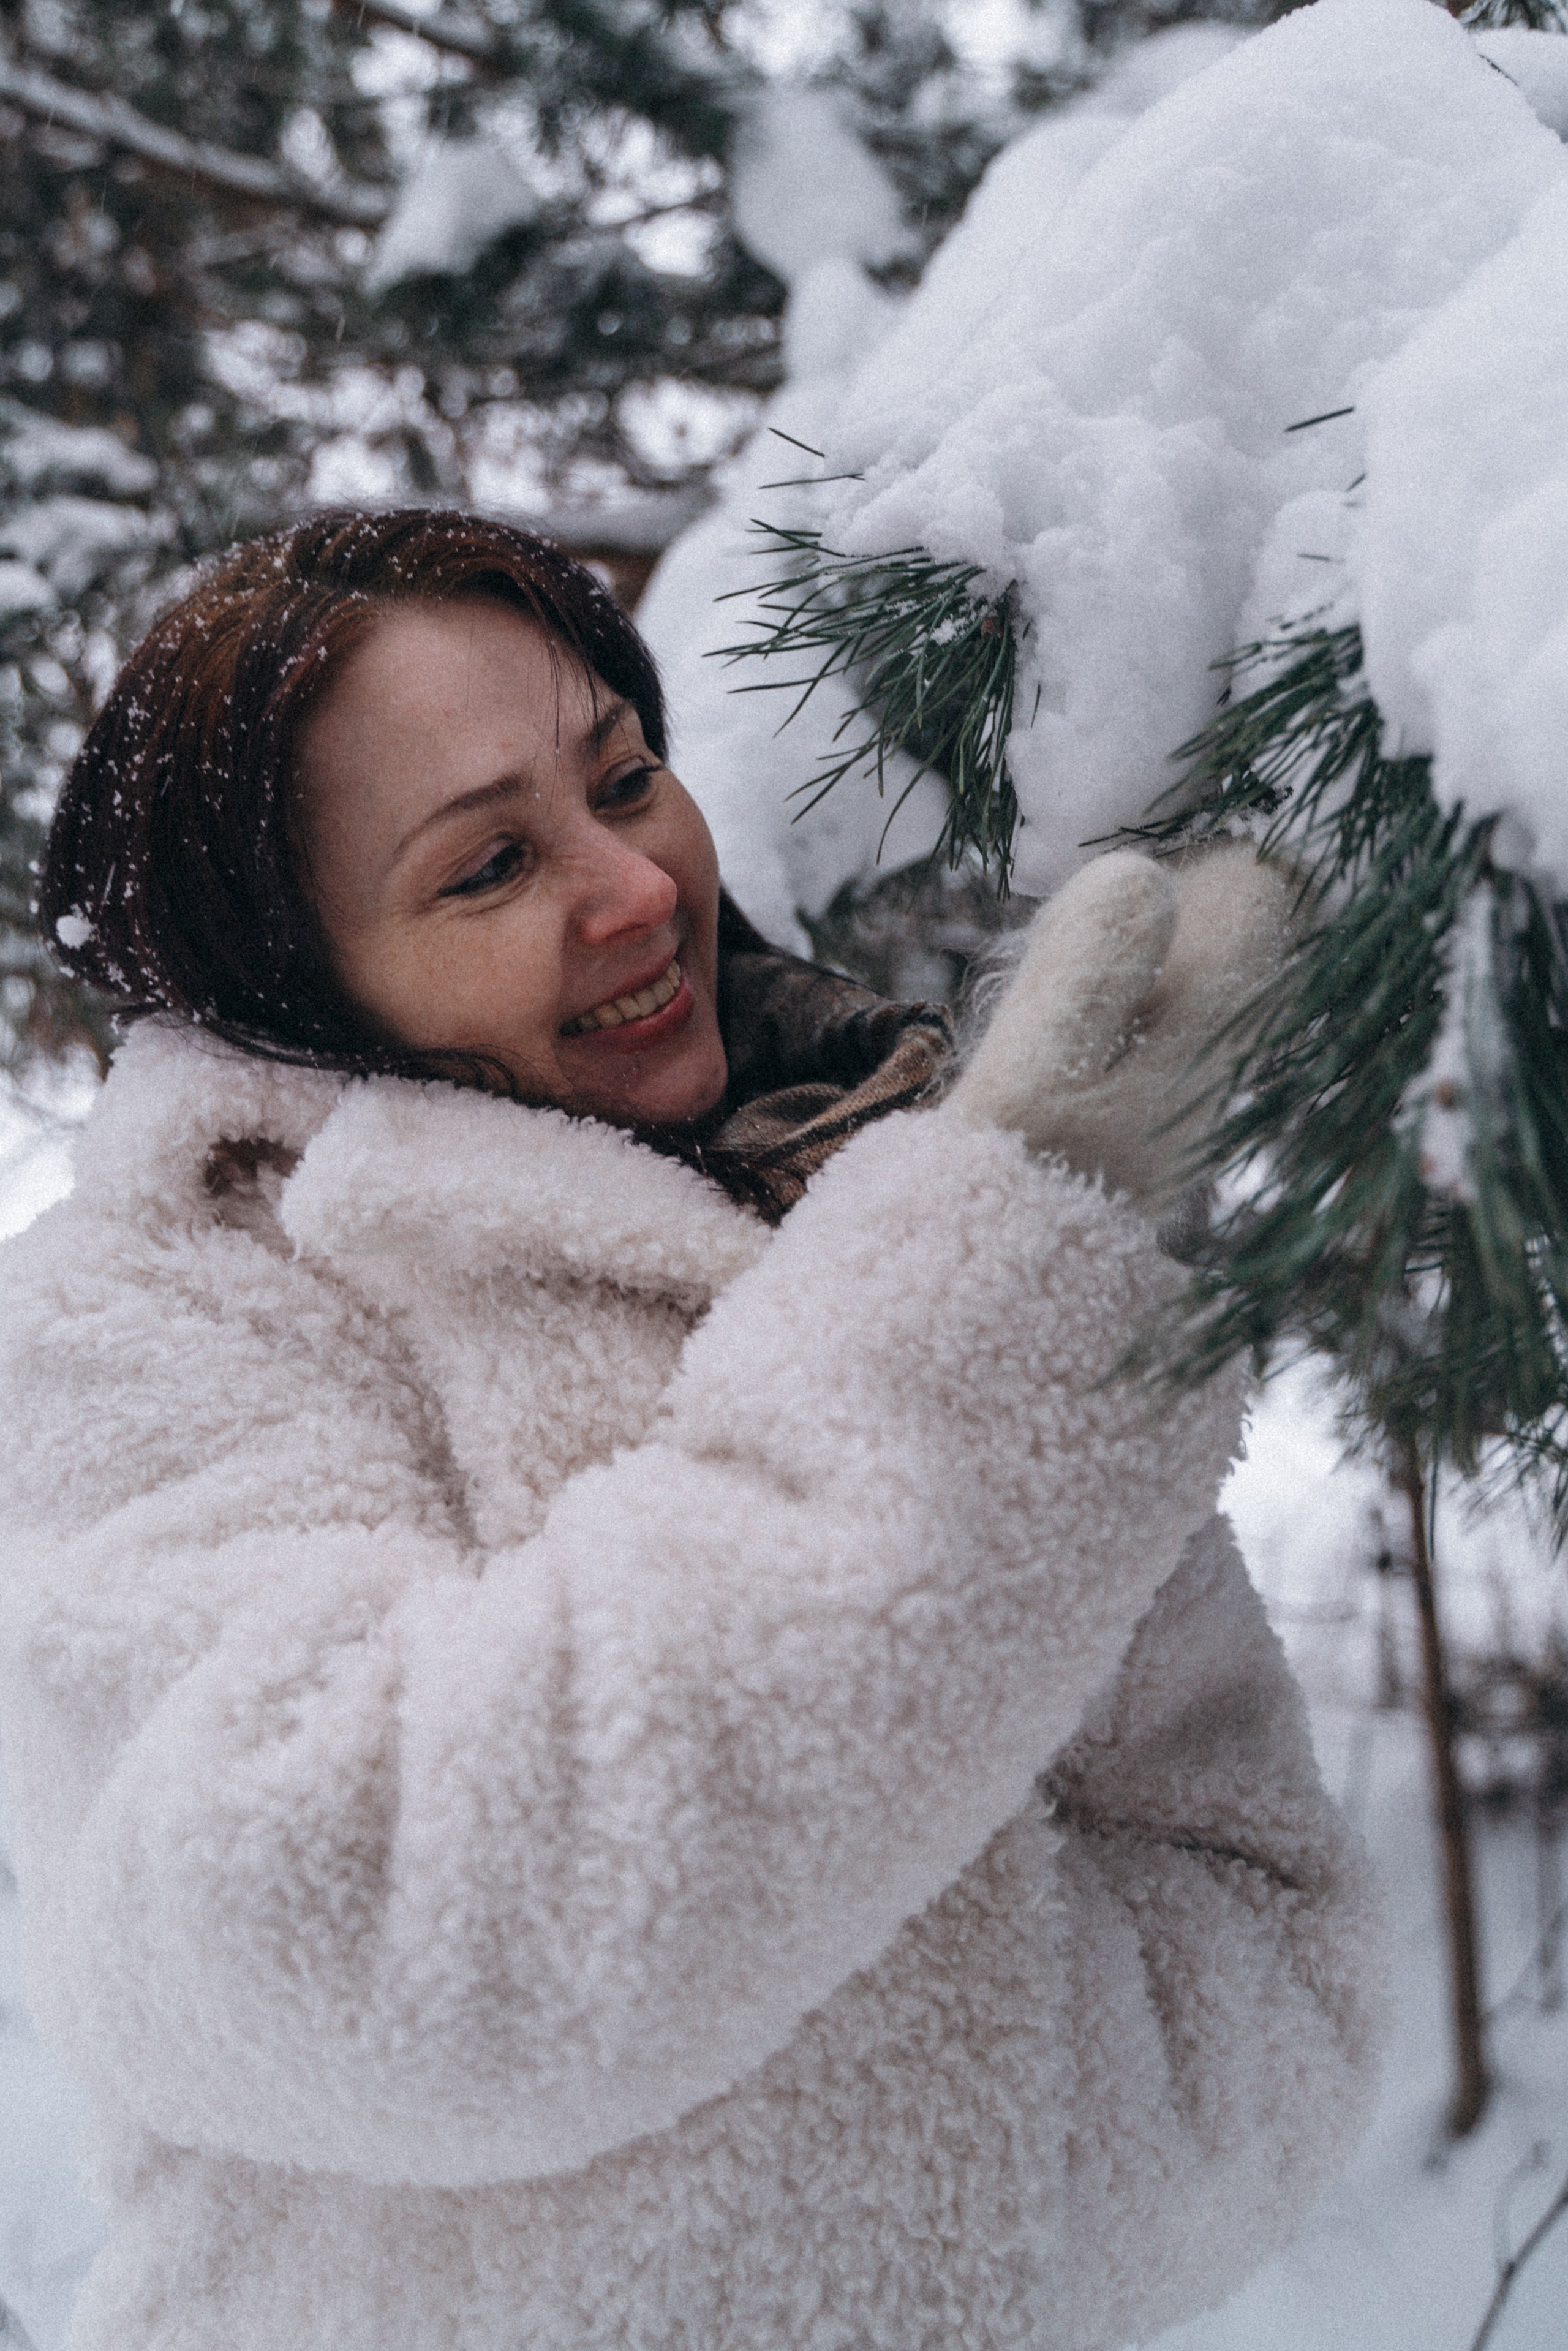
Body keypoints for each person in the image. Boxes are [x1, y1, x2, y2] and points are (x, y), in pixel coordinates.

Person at [0, 508, 1378, 2351]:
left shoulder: (869, 1206)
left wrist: (908, 2237)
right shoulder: (149, 1322)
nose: (637, 886)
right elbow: (354, 1915)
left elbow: (1258, 1935)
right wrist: (988, 1277)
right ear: (290, 985)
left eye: (624, 778)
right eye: (489, 864)